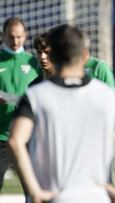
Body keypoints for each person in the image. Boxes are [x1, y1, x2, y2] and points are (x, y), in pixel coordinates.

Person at [8, 24, 115, 203]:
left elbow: (15, 141)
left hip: (55, 198)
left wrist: (35, 191)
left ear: (52, 55)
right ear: (85, 55)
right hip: (97, 198)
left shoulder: (35, 95)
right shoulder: (108, 96)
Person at [0, 17, 39, 191]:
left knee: (33, 190)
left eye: (19, 36)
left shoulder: (35, 62)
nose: (15, 41)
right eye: (10, 36)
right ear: (2, 36)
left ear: (25, 36)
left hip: (28, 138)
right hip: (1, 137)